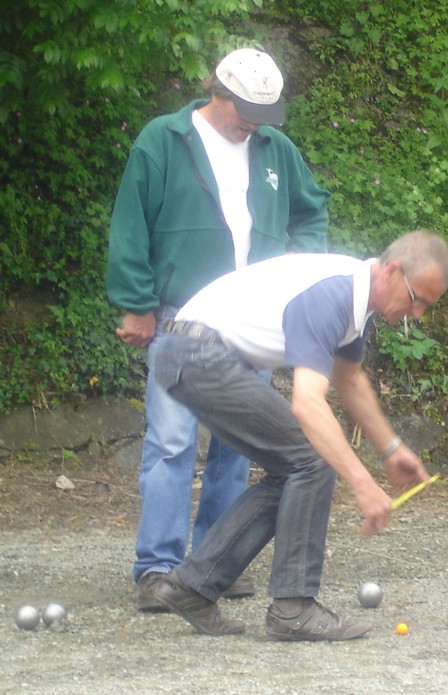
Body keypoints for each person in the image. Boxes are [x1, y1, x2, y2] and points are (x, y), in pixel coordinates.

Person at [106, 48, 330, 611]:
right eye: (247, 108)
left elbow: (312, 212)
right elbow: (130, 223)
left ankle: (212, 564)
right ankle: (157, 567)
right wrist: (136, 302)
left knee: (238, 446)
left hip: (252, 321)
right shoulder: (163, 140)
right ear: (219, 91)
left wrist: (297, 279)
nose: (255, 121)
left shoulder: (277, 150)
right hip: (182, 317)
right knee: (172, 440)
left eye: (265, 110)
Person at [150, 230, 448, 640]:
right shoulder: (333, 294)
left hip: (194, 355)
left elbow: (349, 379)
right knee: (312, 456)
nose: (417, 315)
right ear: (394, 271)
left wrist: (391, 448)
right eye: (418, 299)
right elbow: (308, 404)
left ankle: (192, 586)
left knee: (293, 466)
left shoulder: (357, 304)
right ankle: (293, 609)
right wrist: (362, 483)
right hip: (195, 353)